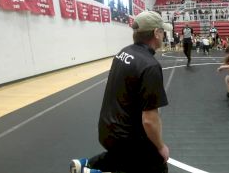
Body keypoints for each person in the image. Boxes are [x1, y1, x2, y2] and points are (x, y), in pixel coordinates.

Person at [69, 11, 169, 173]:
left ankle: (87, 165)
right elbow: (149, 120)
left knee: (125, 158)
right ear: (156, 33)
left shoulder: (124, 52)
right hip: (125, 138)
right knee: (157, 163)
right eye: (162, 31)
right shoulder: (150, 66)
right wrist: (160, 146)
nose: (164, 35)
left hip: (107, 130)